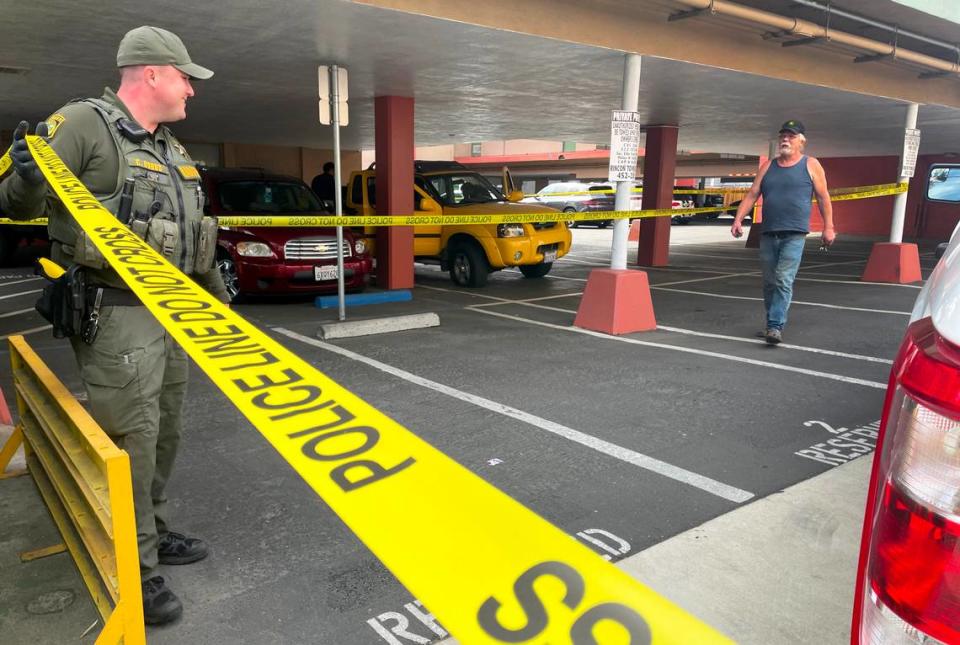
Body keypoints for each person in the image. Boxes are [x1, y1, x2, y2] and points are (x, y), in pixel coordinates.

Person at [0, 26, 229, 625]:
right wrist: (25, 173)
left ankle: (150, 529)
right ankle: (137, 564)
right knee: (131, 437)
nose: (192, 92)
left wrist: (217, 308)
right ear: (152, 73)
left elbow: (193, 242)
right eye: (186, 78)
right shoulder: (82, 124)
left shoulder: (171, 149)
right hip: (115, 315)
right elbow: (15, 204)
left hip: (172, 315)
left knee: (167, 430)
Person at [731, 119, 835, 345]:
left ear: (801, 141)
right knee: (769, 281)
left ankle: (776, 325)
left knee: (783, 279)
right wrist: (738, 219)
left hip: (794, 234)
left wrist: (829, 227)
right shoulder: (768, 166)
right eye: (783, 136)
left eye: (791, 136)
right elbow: (752, 194)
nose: (785, 140)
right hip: (768, 233)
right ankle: (772, 324)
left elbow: (823, 197)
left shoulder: (811, 164)